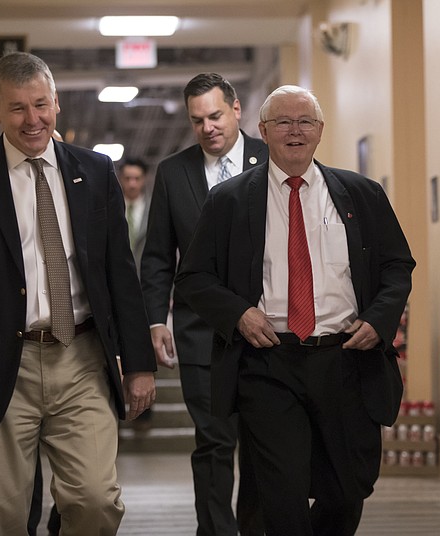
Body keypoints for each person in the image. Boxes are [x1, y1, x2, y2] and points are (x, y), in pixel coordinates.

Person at [0, 51, 157, 536]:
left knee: (94, 502)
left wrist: (137, 363)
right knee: (0, 517)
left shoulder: (94, 172)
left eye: (41, 104)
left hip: (83, 358)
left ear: (57, 104)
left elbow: (119, 272)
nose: (33, 119)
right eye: (17, 108)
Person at [174, 85, 415, 536]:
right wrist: (239, 313)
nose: (295, 131)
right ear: (263, 131)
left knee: (346, 491)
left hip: (345, 359)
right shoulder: (228, 200)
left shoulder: (362, 195)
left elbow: (397, 266)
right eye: (282, 122)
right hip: (269, 362)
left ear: (320, 131)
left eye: (305, 121)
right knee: (279, 495)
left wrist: (379, 320)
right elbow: (193, 279)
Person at [139, 72, 268, 536]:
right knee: (213, 442)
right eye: (197, 121)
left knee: (260, 446)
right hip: (200, 335)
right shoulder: (174, 173)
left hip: (270, 334)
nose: (207, 127)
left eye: (215, 115)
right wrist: (157, 320)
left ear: (236, 110)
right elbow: (157, 255)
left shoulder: (272, 159)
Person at [118, 157, 151, 272]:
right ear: (120, 179)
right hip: (119, 274)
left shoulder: (155, 208)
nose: (132, 184)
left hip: (146, 274)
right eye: (127, 178)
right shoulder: (112, 209)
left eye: (137, 178)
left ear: (144, 179)